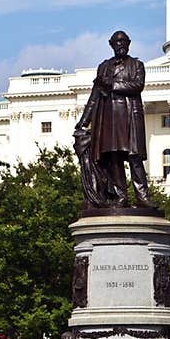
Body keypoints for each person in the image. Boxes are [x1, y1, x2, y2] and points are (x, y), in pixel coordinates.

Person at [73, 29, 150, 208]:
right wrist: (83, 122)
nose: (120, 45)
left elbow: (137, 85)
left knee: (134, 157)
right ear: (111, 45)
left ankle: (142, 196)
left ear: (129, 44)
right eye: (117, 43)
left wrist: (112, 84)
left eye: (123, 42)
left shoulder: (137, 65)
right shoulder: (104, 67)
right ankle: (120, 195)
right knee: (114, 158)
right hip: (109, 119)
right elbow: (94, 97)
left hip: (129, 117)